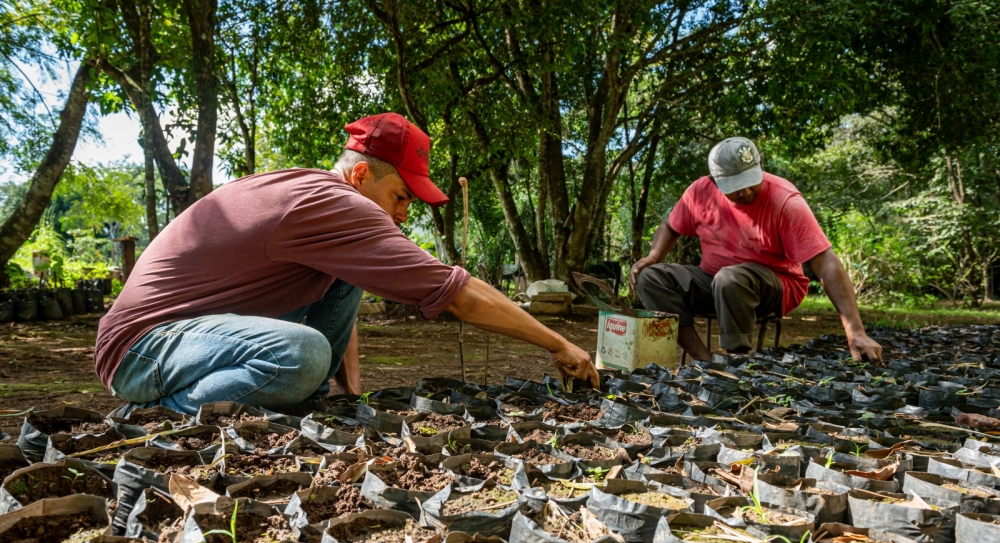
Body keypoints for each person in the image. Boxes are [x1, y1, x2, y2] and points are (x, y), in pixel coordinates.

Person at [95, 112, 599, 416]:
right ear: (360, 174)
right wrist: (558, 343)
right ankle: (165, 412)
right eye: (401, 196)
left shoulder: (320, 200)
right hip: (142, 350)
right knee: (303, 354)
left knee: (339, 299)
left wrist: (349, 395)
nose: (405, 214)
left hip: (190, 338)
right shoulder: (335, 203)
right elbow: (459, 292)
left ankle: (307, 393)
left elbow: (342, 297)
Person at [630, 137, 883, 363]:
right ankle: (705, 361)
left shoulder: (785, 200)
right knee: (649, 277)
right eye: (736, 187)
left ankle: (735, 360)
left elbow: (825, 261)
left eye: (751, 181)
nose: (747, 191)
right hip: (714, 281)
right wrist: (653, 257)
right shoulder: (699, 192)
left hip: (774, 286)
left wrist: (855, 331)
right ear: (714, 182)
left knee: (730, 278)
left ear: (760, 165)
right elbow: (670, 226)